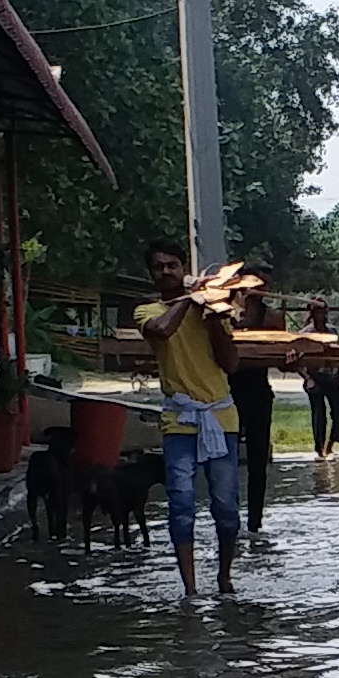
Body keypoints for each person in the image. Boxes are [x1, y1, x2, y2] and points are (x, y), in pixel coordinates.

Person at [129, 240, 243, 601]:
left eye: (172, 265)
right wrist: (188, 301)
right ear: (151, 273)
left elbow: (231, 364)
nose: (166, 272)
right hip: (179, 419)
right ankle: (190, 588)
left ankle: (224, 576)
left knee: (225, 505)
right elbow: (162, 330)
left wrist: (210, 316)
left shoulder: (210, 309)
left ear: (183, 268)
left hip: (220, 417)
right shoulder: (146, 311)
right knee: (180, 504)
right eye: (159, 267)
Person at [221, 265, 280, 542]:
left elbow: (282, 358)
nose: (258, 291)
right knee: (226, 460)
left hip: (258, 391)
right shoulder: (221, 313)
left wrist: (289, 359)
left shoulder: (272, 317)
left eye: (263, 286)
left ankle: (254, 523)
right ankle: (228, 521)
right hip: (226, 393)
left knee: (258, 461)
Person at [297, 297, 339, 457]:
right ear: (312, 313)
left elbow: (337, 354)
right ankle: (319, 448)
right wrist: (307, 378)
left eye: (325, 311)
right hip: (314, 377)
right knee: (318, 413)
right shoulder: (305, 334)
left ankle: (330, 445)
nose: (323, 315)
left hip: (332, 376)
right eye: (319, 311)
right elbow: (298, 361)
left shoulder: (332, 331)